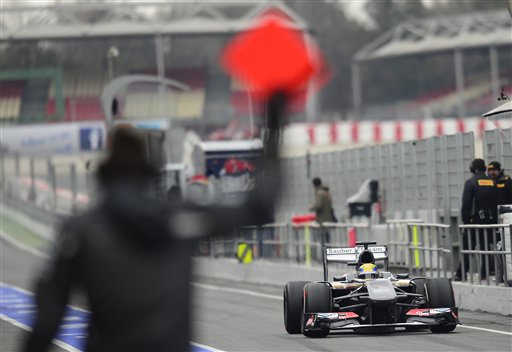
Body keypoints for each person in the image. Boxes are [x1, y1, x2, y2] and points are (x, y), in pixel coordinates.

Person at [24, 94, 284, 351]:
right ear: (151, 174)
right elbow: (259, 208)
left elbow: (48, 319)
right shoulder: (181, 219)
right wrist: (274, 122)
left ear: (105, 176)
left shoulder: (80, 230)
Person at [455, 158, 499, 281]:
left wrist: (465, 221)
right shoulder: (492, 182)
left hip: (473, 222)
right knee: (486, 248)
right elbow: (496, 202)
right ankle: (484, 273)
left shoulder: (471, 182)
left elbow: (466, 204)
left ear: (473, 169)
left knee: (468, 249)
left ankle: (461, 274)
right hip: (489, 221)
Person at [309, 177, 336, 246]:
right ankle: (327, 251)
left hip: (322, 218)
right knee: (326, 236)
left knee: (323, 237)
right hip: (328, 216)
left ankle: (324, 253)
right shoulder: (326, 192)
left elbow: (318, 205)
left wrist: (311, 207)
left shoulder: (320, 193)